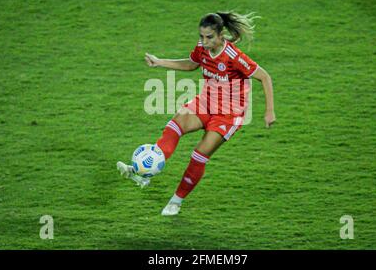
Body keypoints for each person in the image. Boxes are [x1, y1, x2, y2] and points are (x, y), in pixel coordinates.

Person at [117, 11, 276, 216]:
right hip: (206, 102)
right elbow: (192, 64)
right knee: (174, 125)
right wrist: (160, 62)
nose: (204, 41)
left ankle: (176, 201)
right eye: (201, 36)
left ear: (220, 35)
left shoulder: (234, 57)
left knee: (199, 155)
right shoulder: (202, 49)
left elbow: (265, 77)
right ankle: (144, 173)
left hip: (228, 114)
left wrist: (269, 111)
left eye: (209, 37)